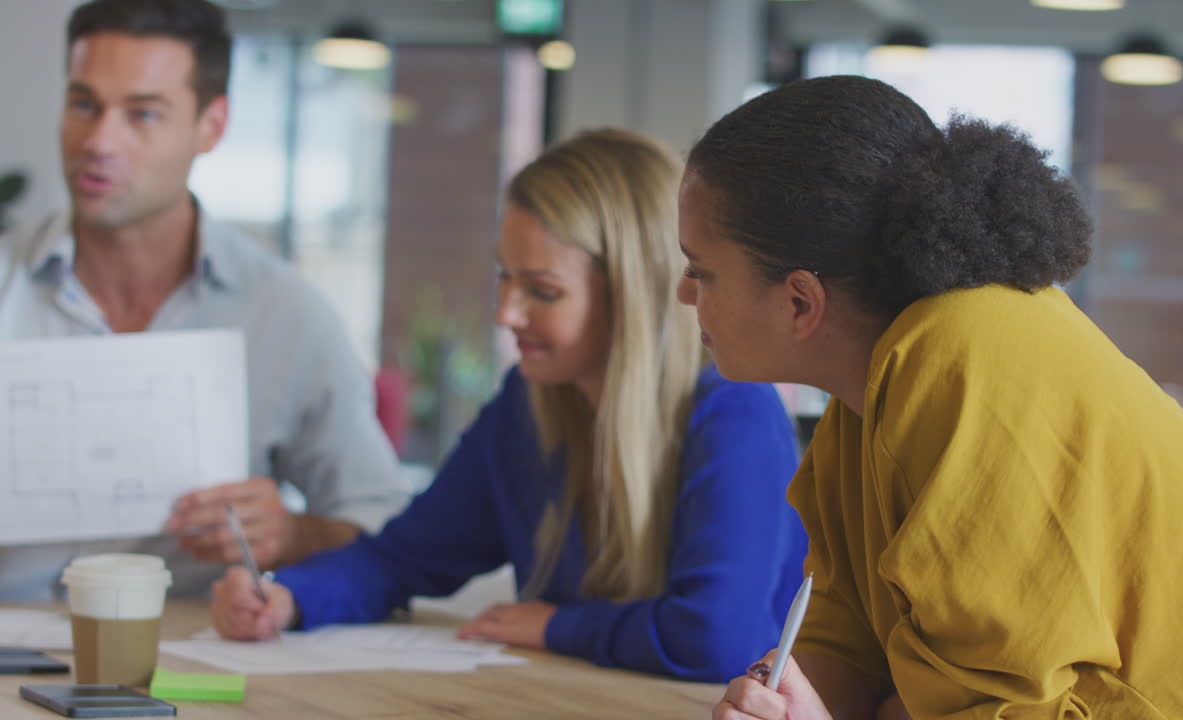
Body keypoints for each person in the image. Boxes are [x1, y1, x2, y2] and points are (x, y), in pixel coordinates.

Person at [685, 76, 1183, 719]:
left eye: (700, 270)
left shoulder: (962, 352)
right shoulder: (868, 394)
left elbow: (1010, 706)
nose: (686, 295)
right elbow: (844, 644)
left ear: (800, 300)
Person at [208, 128, 808, 682]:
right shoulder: (529, 404)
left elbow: (717, 640)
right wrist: (287, 598)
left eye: (542, 291)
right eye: (504, 278)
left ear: (630, 294)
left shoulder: (734, 412)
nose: (505, 314)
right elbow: (403, 558)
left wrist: (555, 625)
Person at [0, 0, 410, 600]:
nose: (98, 141)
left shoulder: (285, 313)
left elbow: (386, 528)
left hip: (198, 659)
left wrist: (292, 534)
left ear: (211, 127)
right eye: (84, 104)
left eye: (142, 114)